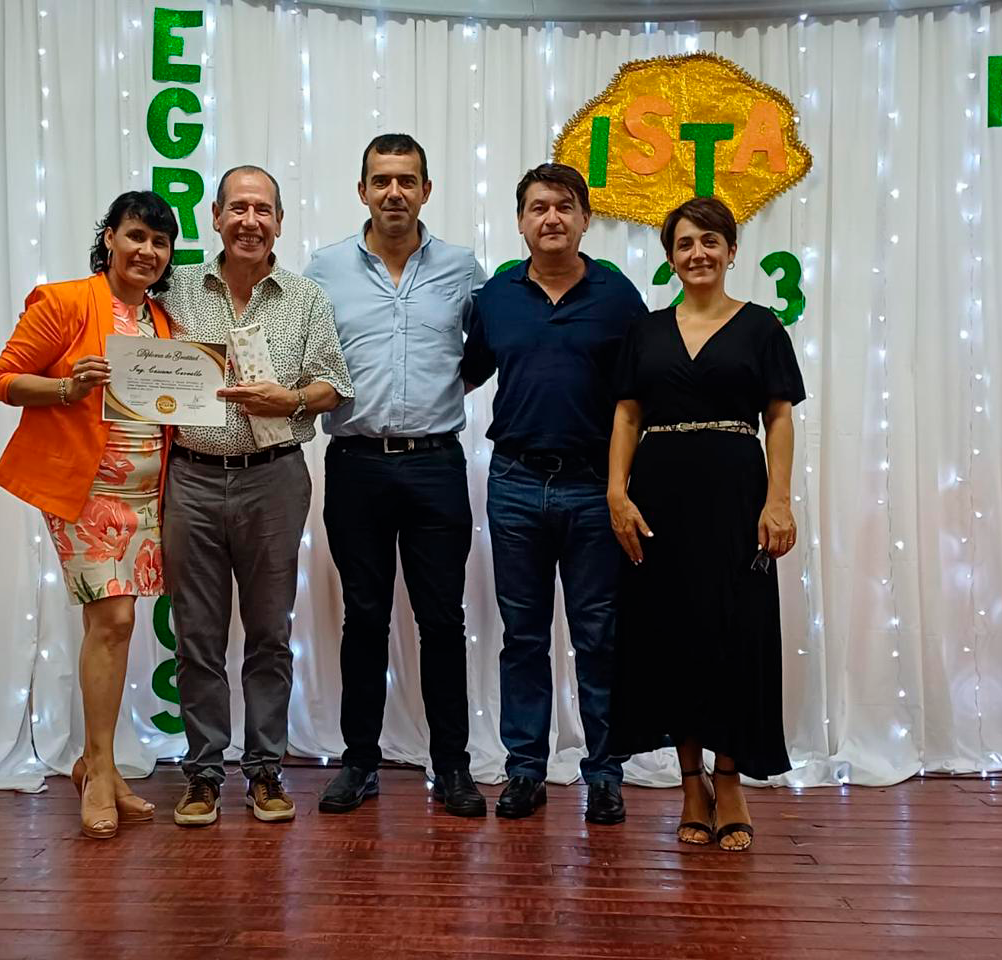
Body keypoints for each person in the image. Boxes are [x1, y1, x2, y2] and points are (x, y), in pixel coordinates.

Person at [607, 196, 805, 852]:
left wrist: (778, 501)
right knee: (672, 637)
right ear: (670, 257)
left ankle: (730, 777)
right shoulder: (646, 331)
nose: (698, 253)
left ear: (731, 251)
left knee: (736, 634)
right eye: (685, 243)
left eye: (710, 241)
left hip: (736, 495)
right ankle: (691, 782)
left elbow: (779, 417)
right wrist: (616, 493)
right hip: (659, 498)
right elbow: (627, 415)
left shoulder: (761, 327)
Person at [160, 165, 354, 827]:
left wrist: (289, 399)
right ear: (215, 217)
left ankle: (266, 769)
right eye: (238, 208)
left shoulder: (304, 297)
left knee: (271, 632)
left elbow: (333, 385)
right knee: (197, 634)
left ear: (279, 221)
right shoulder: (174, 289)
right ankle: (203, 774)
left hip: (274, 478)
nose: (250, 221)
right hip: (189, 476)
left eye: (263, 209)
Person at [305, 134, 488, 817]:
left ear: (426, 190)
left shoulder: (462, 268)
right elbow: (308, 354)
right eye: (381, 180)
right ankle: (360, 762)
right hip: (355, 465)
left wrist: (439, 392)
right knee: (364, 618)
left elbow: (485, 349)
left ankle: (453, 766)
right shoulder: (324, 269)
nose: (393, 192)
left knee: (442, 620)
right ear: (362, 190)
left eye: (406, 180)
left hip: (436, 464)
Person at [0, 190, 179, 839]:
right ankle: (99, 772)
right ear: (109, 239)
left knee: (117, 628)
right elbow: (4, 379)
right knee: (114, 618)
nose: (147, 250)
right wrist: (67, 387)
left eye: (159, 242)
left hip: (147, 497)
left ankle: (101, 764)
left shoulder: (164, 323)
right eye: (135, 236)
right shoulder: (66, 302)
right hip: (86, 490)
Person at [461, 163, 647, 824]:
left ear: (585, 218)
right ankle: (524, 771)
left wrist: (625, 486)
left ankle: (605, 774)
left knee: (599, 636)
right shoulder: (497, 295)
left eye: (564, 206)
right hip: (514, 483)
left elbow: (637, 399)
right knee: (523, 636)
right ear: (520, 221)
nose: (551, 218)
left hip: (595, 488)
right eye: (538, 207)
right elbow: (466, 373)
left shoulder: (618, 296)